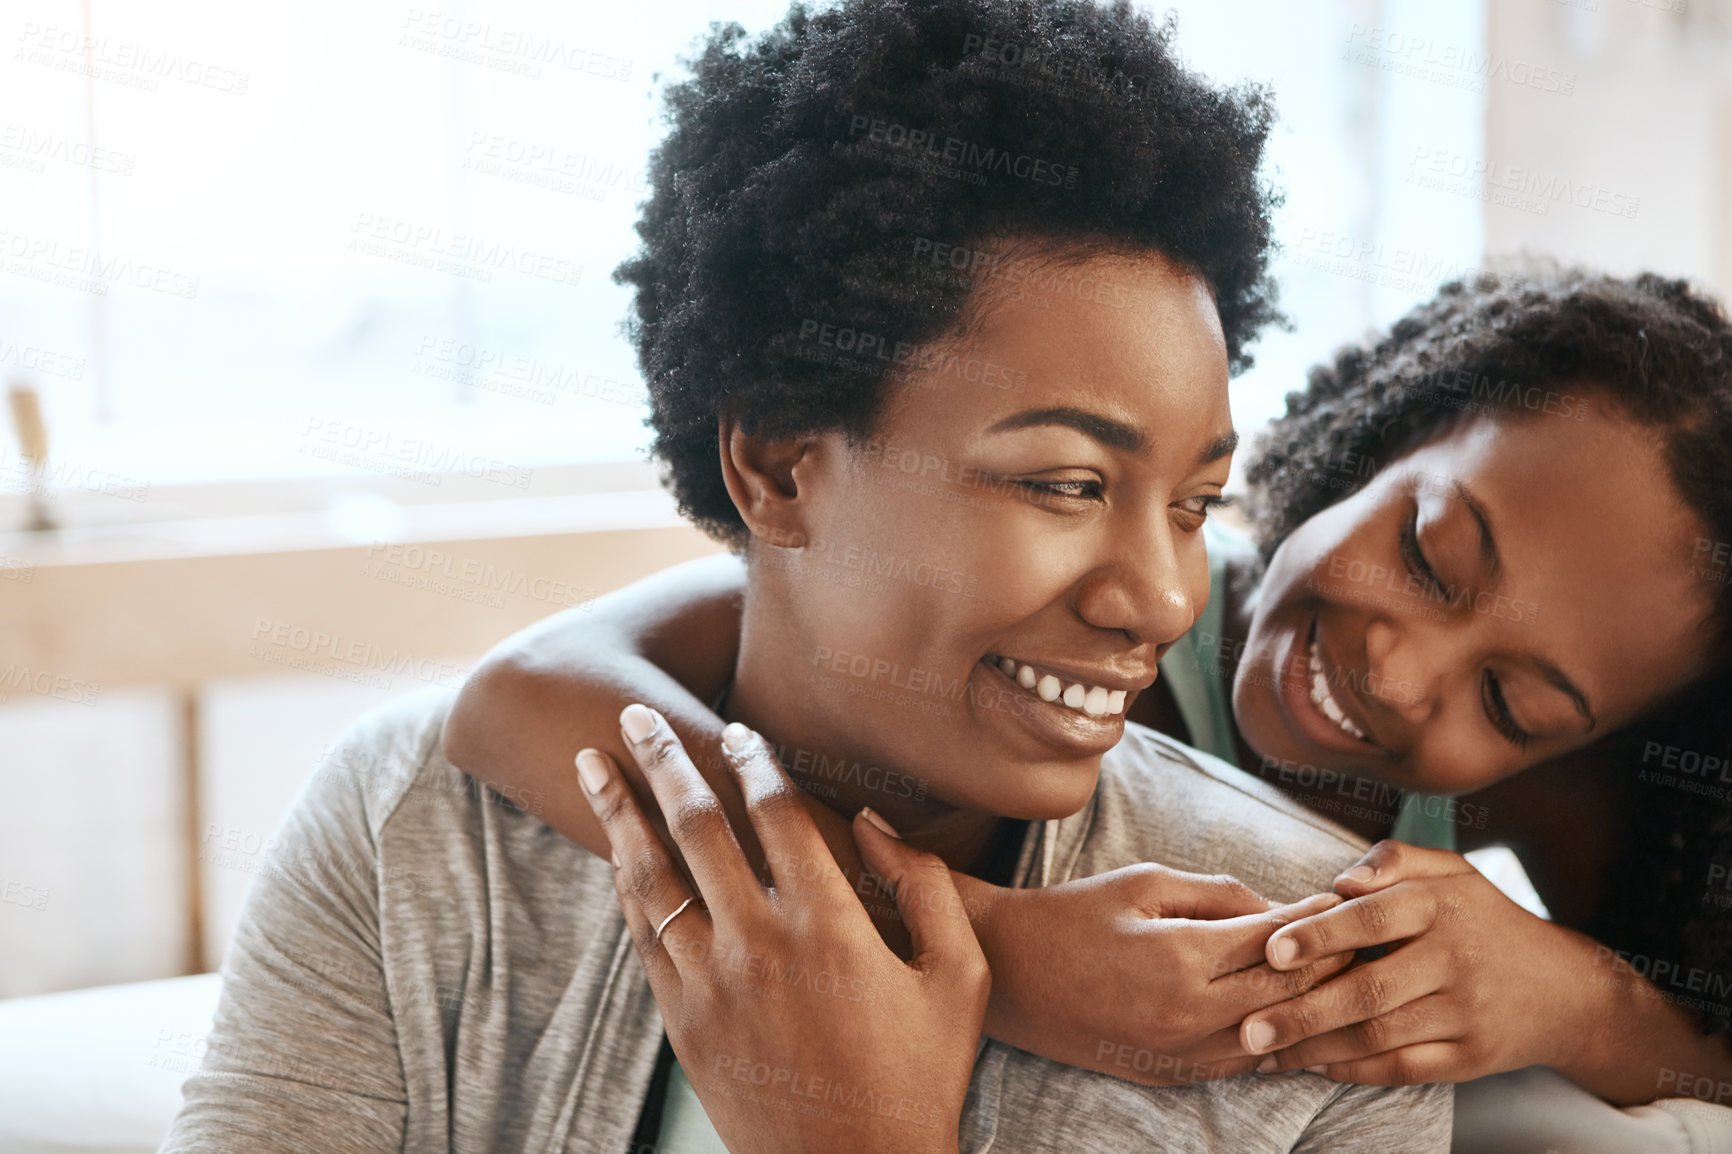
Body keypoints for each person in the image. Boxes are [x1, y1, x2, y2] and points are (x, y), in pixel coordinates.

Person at [159, 0, 1452, 1150]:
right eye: (1064, 483)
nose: (1162, 600)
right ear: (778, 466)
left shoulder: (1300, 978)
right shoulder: (427, 834)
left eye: (1192, 504)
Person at [445, 263, 1732, 1112]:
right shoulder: (1099, 612)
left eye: (1512, 705)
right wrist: (999, 952)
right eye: (1423, 551)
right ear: (1381, 435)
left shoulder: (1519, 809)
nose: (1397, 667)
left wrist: (1583, 997)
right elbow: (523, 688)